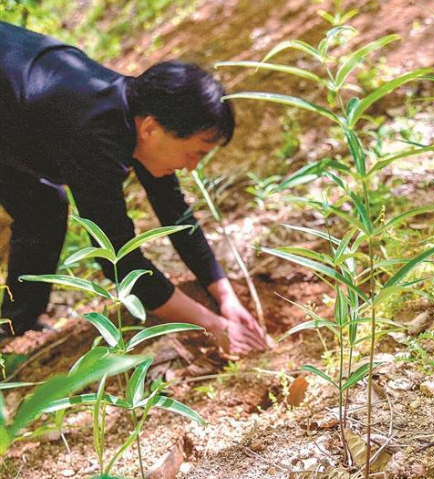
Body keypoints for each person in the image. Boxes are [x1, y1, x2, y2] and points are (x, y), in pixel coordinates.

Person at [0, 21, 269, 354]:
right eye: (194, 153)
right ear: (152, 129)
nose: (192, 167)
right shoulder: (94, 138)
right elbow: (118, 259)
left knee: (41, 208)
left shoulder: (137, 114)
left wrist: (225, 296)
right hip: (13, 109)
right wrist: (211, 324)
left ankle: (14, 328)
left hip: (14, 116)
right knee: (42, 206)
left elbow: (176, 214)